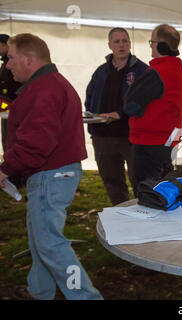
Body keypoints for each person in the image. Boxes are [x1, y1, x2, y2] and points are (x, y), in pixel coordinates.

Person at [0, 33, 102, 300]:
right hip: (53, 173)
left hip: (52, 174)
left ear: (28, 59)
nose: (7, 65)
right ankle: (40, 291)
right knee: (40, 238)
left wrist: (5, 168)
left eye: (10, 58)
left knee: (50, 243)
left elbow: (37, 143)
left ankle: (86, 297)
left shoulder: (44, 89)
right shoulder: (49, 84)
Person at [123, 24, 182, 194]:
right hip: (165, 142)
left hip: (149, 143)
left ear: (160, 44)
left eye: (152, 42)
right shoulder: (176, 69)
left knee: (148, 194)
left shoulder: (157, 72)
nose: (151, 46)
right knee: (162, 192)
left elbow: (131, 105)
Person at [85, 27, 147, 205]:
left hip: (131, 136)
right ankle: (122, 214)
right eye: (117, 41)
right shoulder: (101, 71)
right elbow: (89, 97)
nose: (121, 45)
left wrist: (120, 114)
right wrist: (93, 116)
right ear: (110, 45)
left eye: (125, 41)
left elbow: (143, 101)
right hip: (102, 136)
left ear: (130, 43)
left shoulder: (141, 70)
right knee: (112, 182)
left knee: (140, 181)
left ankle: (146, 214)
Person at [0, 34, 21, 152]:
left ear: (5, 45)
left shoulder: (13, 64)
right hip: (5, 105)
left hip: (12, 106)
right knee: (6, 136)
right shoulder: (5, 64)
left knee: (11, 137)